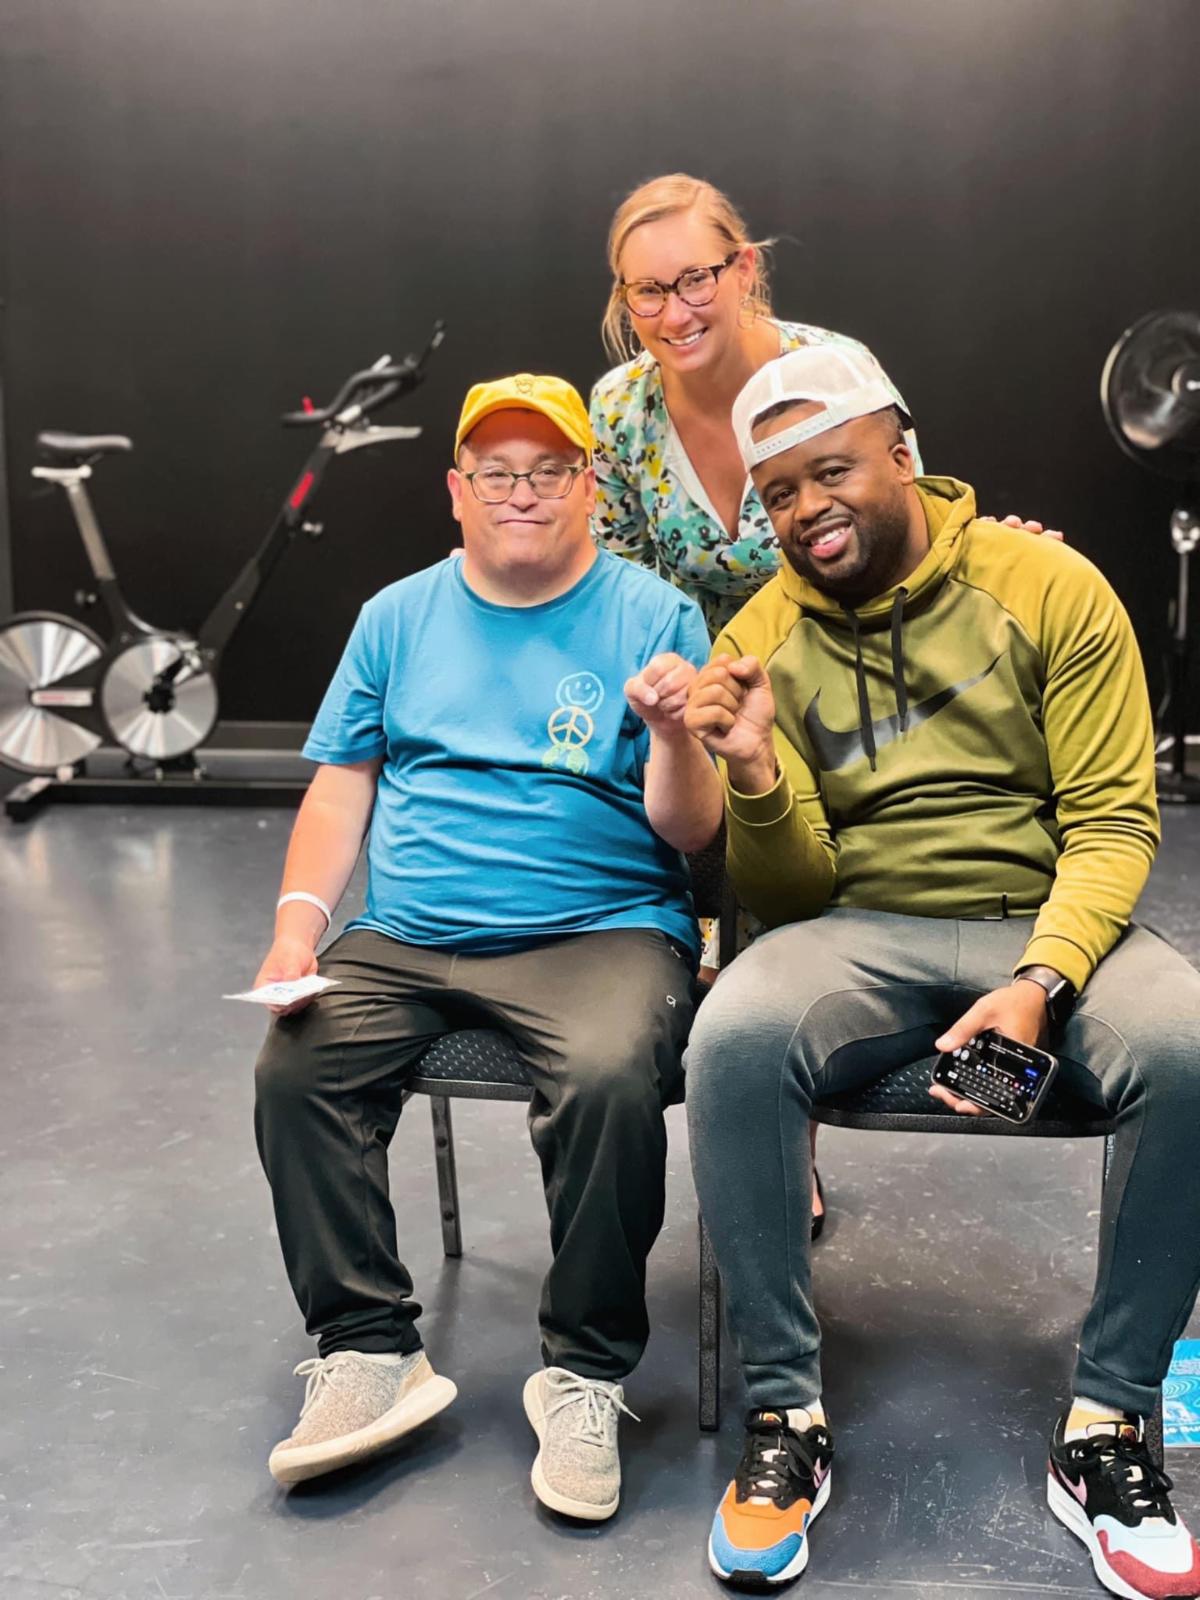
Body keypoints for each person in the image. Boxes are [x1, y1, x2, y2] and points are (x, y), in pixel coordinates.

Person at [680, 343, 1200, 1598]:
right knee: (733, 1035)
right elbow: (791, 893)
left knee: (1188, 1047)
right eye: (779, 493)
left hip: (1045, 918)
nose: (809, 509)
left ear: (903, 451)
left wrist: (1043, 980)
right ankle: (784, 1414)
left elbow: (1113, 823)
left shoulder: (1050, 585)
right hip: (862, 928)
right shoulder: (760, 637)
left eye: (833, 471)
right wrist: (754, 771)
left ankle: (1108, 1424)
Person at [252, 373, 721, 1520]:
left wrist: (671, 734)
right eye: (497, 472)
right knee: (297, 1065)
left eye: (548, 471)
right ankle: (369, 1348)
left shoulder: (654, 616)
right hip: (406, 936)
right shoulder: (396, 615)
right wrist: (296, 929)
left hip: (600, 930)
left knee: (610, 1075)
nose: (522, 492)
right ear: (456, 490)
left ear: (589, 486)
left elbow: (693, 831)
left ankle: (585, 1372)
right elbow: (342, 783)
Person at [589, 172, 1057, 1238]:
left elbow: (905, 531)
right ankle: (673, 1077)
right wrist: (679, 708)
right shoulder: (617, 409)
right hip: (693, 687)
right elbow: (621, 587)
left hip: (831, 670)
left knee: (787, 855)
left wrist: (1016, 556)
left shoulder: (830, 372)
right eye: (646, 291)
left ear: (744, 268)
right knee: (662, 833)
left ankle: (785, 1110)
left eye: (696, 279)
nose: (674, 311)